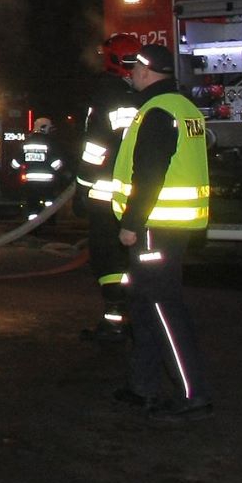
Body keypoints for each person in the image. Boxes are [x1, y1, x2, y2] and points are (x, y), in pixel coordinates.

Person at [110, 43, 214, 424]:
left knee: (162, 305)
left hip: (154, 226)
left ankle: (193, 392)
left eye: (135, 67)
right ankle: (143, 386)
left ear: (148, 70)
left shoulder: (156, 111)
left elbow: (149, 175)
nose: (131, 73)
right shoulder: (183, 107)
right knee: (144, 302)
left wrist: (132, 224)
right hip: (171, 226)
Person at [80, 34, 142, 342]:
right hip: (138, 192)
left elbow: (96, 146)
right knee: (132, 258)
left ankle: (114, 319)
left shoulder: (105, 93)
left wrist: (82, 185)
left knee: (106, 256)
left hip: (105, 192)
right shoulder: (144, 95)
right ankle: (134, 318)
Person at [7, 116, 68, 216]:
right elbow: (56, 163)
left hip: (30, 182)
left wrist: (11, 171)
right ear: (44, 128)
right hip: (48, 183)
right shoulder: (49, 143)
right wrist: (64, 173)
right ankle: (49, 220)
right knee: (49, 203)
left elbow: (16, 163)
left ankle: (33, 225)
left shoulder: (26, 143)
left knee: (32, 204)